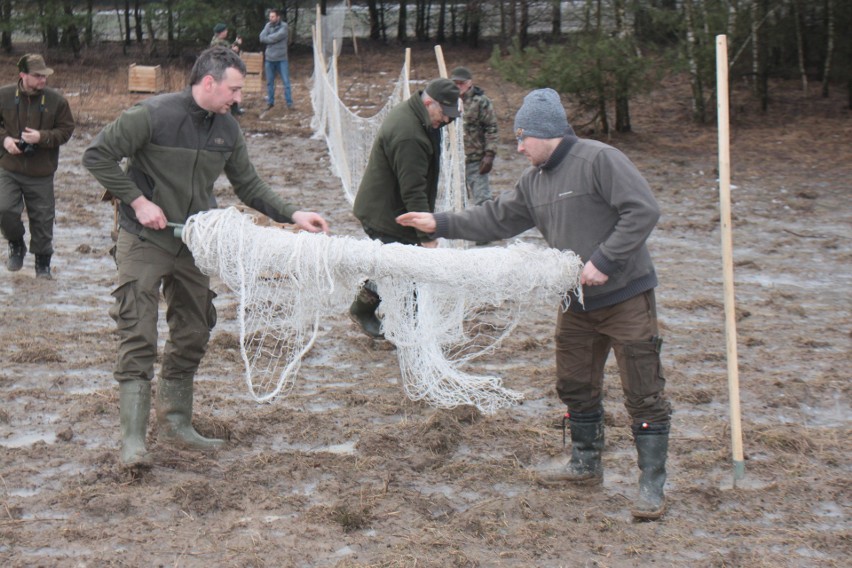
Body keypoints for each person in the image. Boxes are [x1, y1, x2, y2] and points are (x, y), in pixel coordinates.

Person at [397, 88, 672, 521]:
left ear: (546, 132)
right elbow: (496, 217)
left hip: (624, 296)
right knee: (575, 384)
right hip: (575, 301)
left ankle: (651, 486)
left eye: (523, 137)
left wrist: (604, 259)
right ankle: (585, 464)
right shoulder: (535, 181)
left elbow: (642, 211)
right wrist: (441, 222)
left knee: (643, 390)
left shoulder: (600, 160)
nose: (519, 146)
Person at [82, 46, 329, 468]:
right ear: (209, 82)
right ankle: (133, 443)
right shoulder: (151, 115)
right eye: (233, 89)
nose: (238, 98)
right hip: (143, 237)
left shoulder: (228, 130)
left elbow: (249, 187)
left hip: (195, 242)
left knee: (195, 329)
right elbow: (97, 156)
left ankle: (176, 422)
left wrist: (293, 213)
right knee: (138, 332)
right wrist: (138, 201)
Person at [348, 78, 461, 339]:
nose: (445, 121)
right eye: (444, 114)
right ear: (429, 102)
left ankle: (363, 310)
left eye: (451, 116)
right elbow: (413, 191)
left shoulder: (419, 115)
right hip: (386, 214)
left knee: (393, 268)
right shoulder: (409, 133)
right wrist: (427, 237)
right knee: (406, 272)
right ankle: (407, 334)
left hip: (394, 209)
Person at [0, 54, 75, 279]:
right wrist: (5, 140)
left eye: (44, 75)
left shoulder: (56, 101)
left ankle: (42, 264)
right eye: (37, 76)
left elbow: (66, 130)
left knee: (42, 219)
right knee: (4, 209)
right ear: (22, 75)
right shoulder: (3, 96)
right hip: (9, 167)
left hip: (41, 171)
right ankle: (16, 245)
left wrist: (41, 137)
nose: (43, 80)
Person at [450, 67, 498, 208]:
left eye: (462, 83)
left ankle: (486, 228)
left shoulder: (481, 102)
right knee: (456, 201)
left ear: (469, 82)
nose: (459, 86)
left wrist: (490, 154)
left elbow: (491, 128)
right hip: (454, 160)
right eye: (455, 83)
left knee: (483, 201)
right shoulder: (447, 101)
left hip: (476, 160)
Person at [259, 8, 292, 110]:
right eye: (270, 16)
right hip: (269, 59)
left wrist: (268, 39)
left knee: (286, 82)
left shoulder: (284, 26)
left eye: (272, 16)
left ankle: (289, 103)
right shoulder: (268, 25)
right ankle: (270, 102)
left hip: (282, 59)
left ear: (278, 17)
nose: (271, 18)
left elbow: (278, 36)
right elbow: (261, 37)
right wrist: (269, 39)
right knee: (269, 82)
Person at [210, 23, 244, 115]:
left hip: (224, 69)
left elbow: (228, 49)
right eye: (225, 31)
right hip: (222, 69)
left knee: (232, 88)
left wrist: (236, 44)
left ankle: (234, 109)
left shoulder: (219, 41)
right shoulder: (217, 42)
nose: (227, 32)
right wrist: (234, 50)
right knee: (230, 88)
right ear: (221, 32)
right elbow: (224, 54)